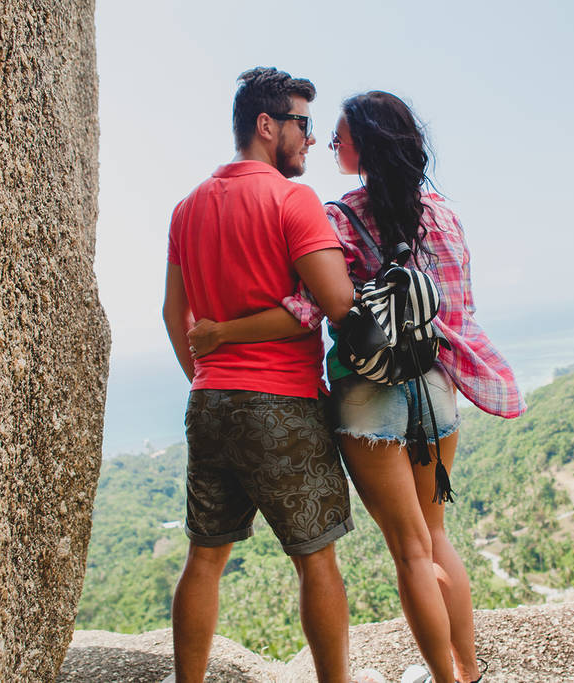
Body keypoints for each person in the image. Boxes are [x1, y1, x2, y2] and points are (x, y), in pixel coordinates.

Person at [190, 91, 525, 683]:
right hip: (434, 385)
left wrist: (221, 333)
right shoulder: (443, 216)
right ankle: (468, 674)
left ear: (365, 146)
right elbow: (461, 310)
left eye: (339, 136)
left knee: (409, 551)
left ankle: (444, 678)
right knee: (435, 537)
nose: (330, 143)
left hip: (368, 393)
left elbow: (311, 306)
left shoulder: (340, 217)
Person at [162, 67, 358, 683]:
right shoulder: (292, 200)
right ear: (266, 125)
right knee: (316, 560)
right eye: (303, 124)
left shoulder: (187, 207)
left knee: (204, 558)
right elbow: (337, 301)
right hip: (282, 403)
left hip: (209, 401)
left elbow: (173, 313)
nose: (310, 138)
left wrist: (208, 373)